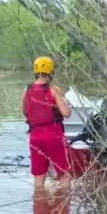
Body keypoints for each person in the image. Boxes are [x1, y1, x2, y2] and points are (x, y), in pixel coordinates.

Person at [23, 56, 73, 189]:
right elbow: (66, 113)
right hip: (53, 136)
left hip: (35, 137)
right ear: (51, 72)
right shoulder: (54, 90)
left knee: (39, 178)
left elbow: (26, 112)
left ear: (35, 71)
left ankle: (39, 207)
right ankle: (63, 206)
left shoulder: (27, 91)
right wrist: (67, 106)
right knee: (64, 175)